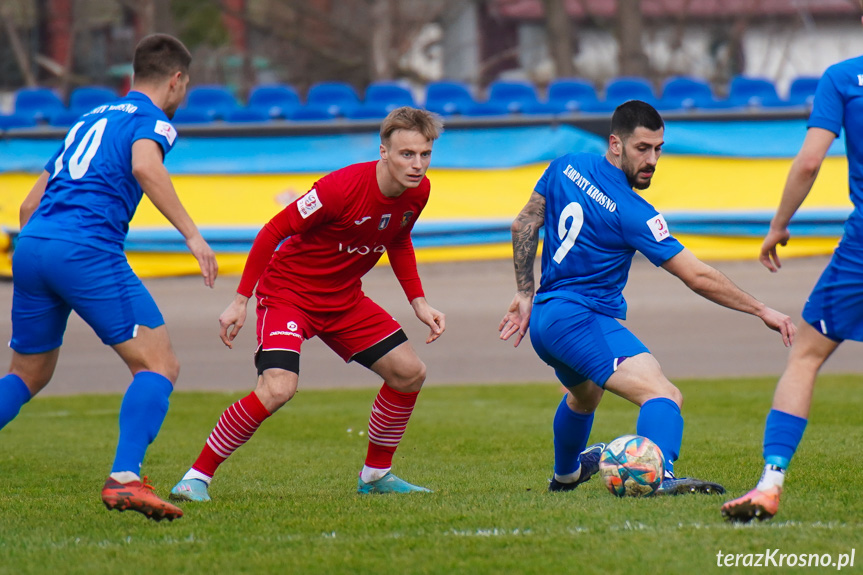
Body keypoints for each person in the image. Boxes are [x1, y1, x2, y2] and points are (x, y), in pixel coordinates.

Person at [499, 100, 796, 496]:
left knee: (585, 395)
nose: (652, 159)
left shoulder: (566, 165)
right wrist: (761, 309)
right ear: (615, 144)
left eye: (658, 149)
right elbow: (696, 275)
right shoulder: (634, 211)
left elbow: (524, 223)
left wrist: (523, 293)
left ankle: (567, 474)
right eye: (643, 148)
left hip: (545, 319)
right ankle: (662, 477)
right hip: (578, 318)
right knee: (663, 394)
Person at [169, 106, 445, 502]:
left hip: (344, 298)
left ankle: (375, 476)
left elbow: (398, 238)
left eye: (425, 154)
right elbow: (273, 231)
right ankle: (195, 477)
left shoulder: (420, 191)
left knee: (409, 373)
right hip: (289, 294)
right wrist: (240, 300)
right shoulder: (339, 188)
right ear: (383, 151)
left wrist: (418, 301)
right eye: (407, 154)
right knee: (278, 388)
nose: (417, 165)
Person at [0, 34, 218, 521]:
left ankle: (127, 477)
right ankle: (125, 479)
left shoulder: (89, 118)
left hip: (33, 245)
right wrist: (193, 237)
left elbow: (29, 204)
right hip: (86, 250)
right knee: (159, 366)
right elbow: (145, 165)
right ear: (176, 80)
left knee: (26, 374)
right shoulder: (152, 120)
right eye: (185, 86)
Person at [722, 4, 863, 523]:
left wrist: (779, 225)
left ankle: (770, 482)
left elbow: (809, 161)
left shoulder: (844, 79)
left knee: (805, 356)